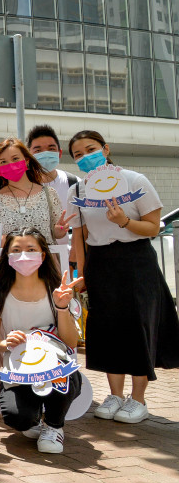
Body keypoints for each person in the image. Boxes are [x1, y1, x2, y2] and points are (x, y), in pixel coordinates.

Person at [67, 130, 179, 423]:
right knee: (106, 328)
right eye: (78, 154)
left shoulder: (135, 180)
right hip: (100, 262)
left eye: (90, 149)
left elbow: (153, 227)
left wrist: (125, 221)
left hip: (136, 259)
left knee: (138, 325)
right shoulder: (77, 191)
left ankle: (138, 399)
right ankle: (115, 395)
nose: (85, 157)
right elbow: (79, 237)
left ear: (105, 149)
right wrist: (81, 273)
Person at [0, 228, 82, 453]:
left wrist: (62, 307)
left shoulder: (56, 289)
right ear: (7, 255)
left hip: (55, 364)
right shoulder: (0, 289)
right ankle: (34, 417)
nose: (23, 256)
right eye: (16, 250)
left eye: (30, 249)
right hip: (18, 367)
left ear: (43, 255)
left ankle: (54, 425)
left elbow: (70, 342)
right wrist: (5, 343)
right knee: (18, 418)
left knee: (65, 380)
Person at [0, 138, 73, 245]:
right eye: (3, 162)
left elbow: (56, 233)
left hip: (45, 255)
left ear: (27, 160)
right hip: (10, 256)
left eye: (15, 158)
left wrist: (59, 231)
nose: (10, 164)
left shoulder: (49, 194)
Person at [27, 125, 80, 243]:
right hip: (31, 253)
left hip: (67, 253)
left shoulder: (75, 183)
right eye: (38, 150)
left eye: (51, 149)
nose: (45, 154)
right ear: (28, 156)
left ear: (59, 153)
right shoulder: (20, 187)